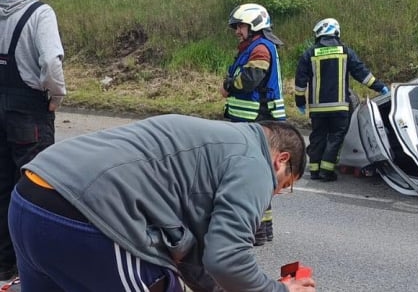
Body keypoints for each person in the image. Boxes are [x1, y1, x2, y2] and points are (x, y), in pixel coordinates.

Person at [8, 114, 316, 292]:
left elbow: (196, 258)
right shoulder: (255, 164)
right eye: (284, 185)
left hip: (29, 197)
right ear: (281, 160)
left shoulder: (219, 144)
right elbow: (226, 259)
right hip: (84, 215)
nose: (275, 193)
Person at [0, 0, 65, 282]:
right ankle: (36, 269)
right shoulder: (41, 12)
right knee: (34, 189)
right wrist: (56, 96)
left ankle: (3, 267)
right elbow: (51, 62)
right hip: (29, 114)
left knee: (0, 188)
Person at [219, 3, 285, 245]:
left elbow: (249, 80)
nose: (237, 30)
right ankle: (260, 230)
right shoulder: (256, 47)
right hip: (254, 121)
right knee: (256, 175)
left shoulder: (260, 49)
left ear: (254, 24)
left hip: (255, 121)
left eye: (240, 25)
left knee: (251, 175)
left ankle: (256, 231)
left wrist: (227, 85)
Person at [294, 18, 389, 182]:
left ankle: (315, 170)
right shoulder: (345, 52)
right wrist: (380, 87)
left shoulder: (309, 53)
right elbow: (362, 74)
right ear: (336, 32)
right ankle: (326, 170)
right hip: (339, 107)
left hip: (317, 108)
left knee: (318, 136)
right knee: (335, 137)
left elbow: (300, 82)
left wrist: (300, 102)